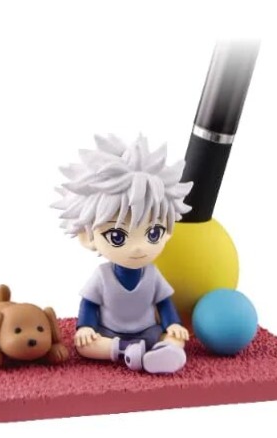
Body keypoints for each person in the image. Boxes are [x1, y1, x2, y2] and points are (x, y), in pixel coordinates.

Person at [52, 135, 193, 373]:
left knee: (176, 337)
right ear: (87, 237)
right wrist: (85, 327)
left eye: (153, 233)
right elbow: (89, 304)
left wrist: (173, 324)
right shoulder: (102, 276)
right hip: (109, 334)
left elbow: (164, 303)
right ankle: (127, 352)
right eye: (117, 236)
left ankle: (164, 351)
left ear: (168, 231)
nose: (138, 248)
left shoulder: (152, 274)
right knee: (85, 345)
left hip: (149, 331)